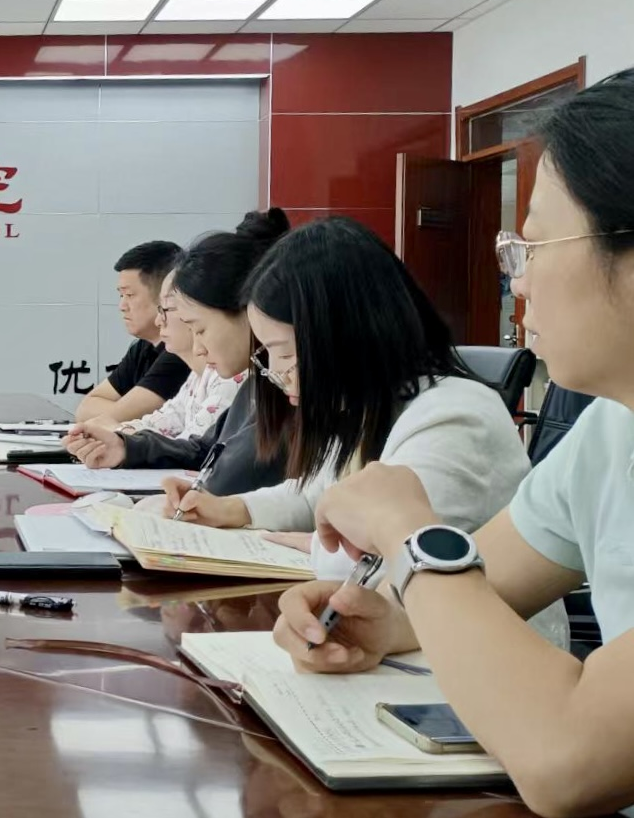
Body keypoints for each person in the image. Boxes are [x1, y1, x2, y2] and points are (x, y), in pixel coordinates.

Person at [273, 71, 634, 818]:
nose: (518, 285)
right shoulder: (611, 426)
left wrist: (410, 534)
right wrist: (379, 624)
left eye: (534, 246)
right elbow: (489, 581)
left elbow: (569, 761)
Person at [157, 218, 531, 579]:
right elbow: (315, 494)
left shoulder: (453, 419)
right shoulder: (366, 407)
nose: (274, 372)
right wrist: (232, 509)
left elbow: (401, 559)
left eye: (284, 352)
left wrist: (317, 547)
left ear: (345, 337)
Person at [65, 209, 289, 497]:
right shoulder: (257, 382)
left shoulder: (276, 382)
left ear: (246, 310)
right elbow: (205, 450)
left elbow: (224, 478)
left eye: (199, 328)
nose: (198, 348)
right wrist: (125, 447)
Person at [117, 267, 243, 441]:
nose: (158, 321)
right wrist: (116, 435)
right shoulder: (198, 376)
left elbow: (191, 447)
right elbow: (164, 421)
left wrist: (119, 439)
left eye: (165, 309)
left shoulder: (230, 376)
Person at [75, 241, 191, 425]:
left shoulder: (180, 351)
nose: (122, 306)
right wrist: (123, 412)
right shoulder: (142, 347)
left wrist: (120, 413)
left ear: (165, 295)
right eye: (121, 295)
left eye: (129, 295)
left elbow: (121, 417)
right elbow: (85, 409)